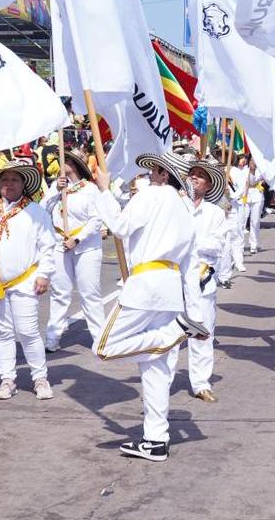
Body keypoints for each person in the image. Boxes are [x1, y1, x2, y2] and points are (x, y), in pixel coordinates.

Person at [90, 151, 208, 462]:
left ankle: (171, 335)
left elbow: (119, 225)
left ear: (164, 175)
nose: (146, 175)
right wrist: (195, 316)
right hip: (170, 289)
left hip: (146, 285)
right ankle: (156, 439)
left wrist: (103, 190)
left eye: (153, 170)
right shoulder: (187, 212)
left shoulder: (152, 194)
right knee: (154, 367)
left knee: (103, 347)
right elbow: (191, 269)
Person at [0, 161, 56, 401]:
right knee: (2, 333)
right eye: (4, 179)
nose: (8, 184)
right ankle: (7, 379)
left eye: (14, 180)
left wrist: (44, 274)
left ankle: (40, 378)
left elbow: (48, 245)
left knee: (28, 331)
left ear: (24, 184)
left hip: (25, 281)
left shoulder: (36, 212)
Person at [167, 159, 230, 403]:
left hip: (201, 278)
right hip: (172, 277)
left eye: (200, 175)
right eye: (191, 173)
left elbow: (216, 246)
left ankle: (201, 383)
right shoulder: (173, 206)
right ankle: (163, 380)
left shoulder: (215, 213)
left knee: (202, 331)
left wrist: (188, 243)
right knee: (169, 332)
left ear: (209, 185)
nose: (194, 177)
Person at [40, 150, 105, 352]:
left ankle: (100, 340)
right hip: (60, 244)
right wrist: (55, 191)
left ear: (75, 165)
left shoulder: (90, 190)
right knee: (60, 293)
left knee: (89, 293)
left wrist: (77, 239)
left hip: (86, 247)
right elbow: (41, 210)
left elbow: (96, 220)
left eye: (66, 160)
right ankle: (52, 338)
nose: (61, 163)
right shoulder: (56, 187)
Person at [227, 156, 250, 273]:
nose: (221, 157)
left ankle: (238, 261)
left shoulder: (236, 171)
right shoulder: (217, 170)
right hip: (220, 207)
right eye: (219, 154)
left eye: (224, 155)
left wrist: (231, 197)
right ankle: (227, 262)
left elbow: (241, 188)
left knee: (237, 233)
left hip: (235, 206)